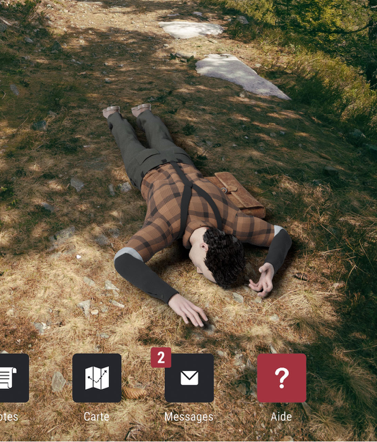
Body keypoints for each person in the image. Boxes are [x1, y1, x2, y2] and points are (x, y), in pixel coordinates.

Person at [103, 103, 292, 327]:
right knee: (129, 143)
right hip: (145, 167)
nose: (197, 271)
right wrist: (172, 297)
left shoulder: (234, 223)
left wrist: (270, 265)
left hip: (181, 160)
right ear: (204, 247)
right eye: (201, 269)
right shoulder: (167, 224)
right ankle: (115, 116)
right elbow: (123, 259)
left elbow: (281, 234)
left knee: (160, 137)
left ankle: (141, 112)